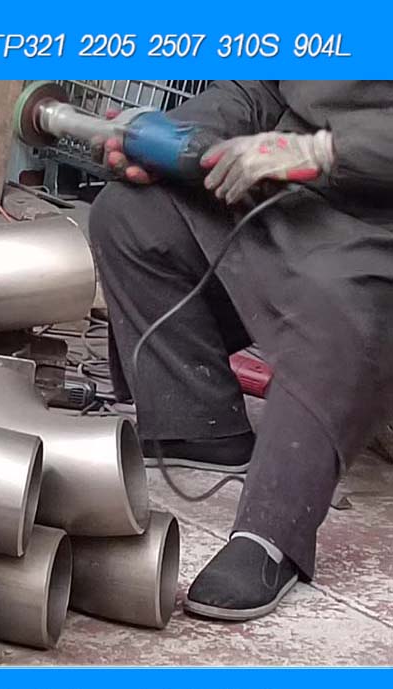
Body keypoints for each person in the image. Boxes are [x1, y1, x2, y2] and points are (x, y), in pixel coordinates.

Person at [88, 81, 393, 620]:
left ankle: (271, 533)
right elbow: (262, 88)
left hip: (377, 220)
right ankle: (200, 425)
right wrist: (176, 139)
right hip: (298, 191)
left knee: (337, 297)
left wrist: (323, 150)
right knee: (132, 213)